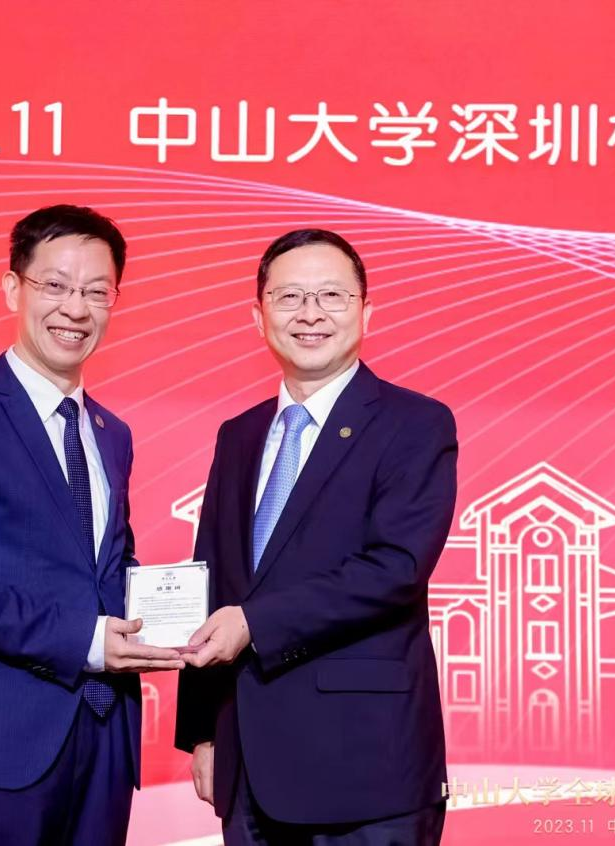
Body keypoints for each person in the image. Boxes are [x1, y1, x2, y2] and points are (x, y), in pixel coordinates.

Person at [0, 204, 183, 845]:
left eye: (96, 291)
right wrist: (86, 640)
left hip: (104, 741)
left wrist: (179, 620)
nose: (75, 309)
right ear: (12, 288)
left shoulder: (112, 433)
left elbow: (106, 569)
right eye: (55, 285)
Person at [175, 229, 457, 844]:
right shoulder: (239, 434)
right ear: (259, 316)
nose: (310, 314)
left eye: (332, 295)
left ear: (366, 311)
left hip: (365, 766)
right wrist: (201, 731)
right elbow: (214, 576)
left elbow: (396, 567)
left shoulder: (415, 424)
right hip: (248, 763)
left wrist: (254, 623)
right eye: (289, 297)